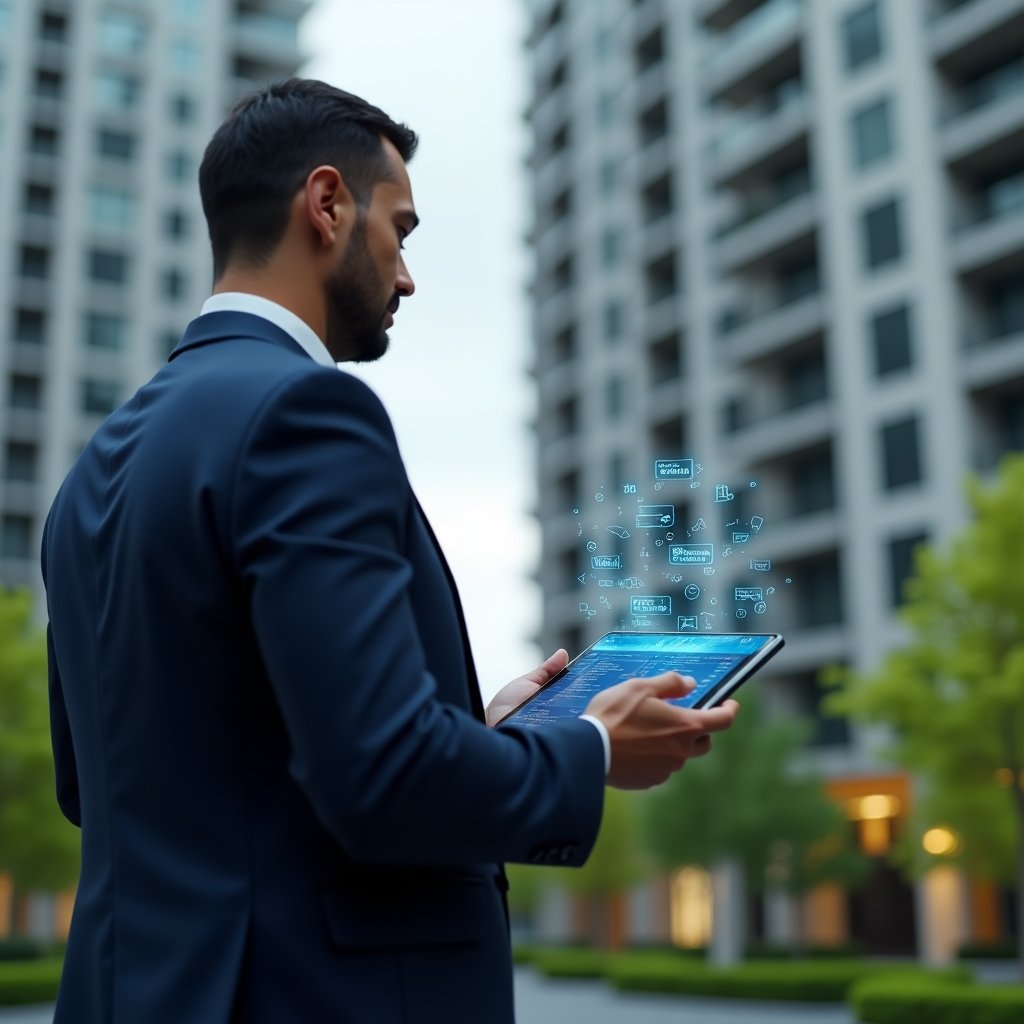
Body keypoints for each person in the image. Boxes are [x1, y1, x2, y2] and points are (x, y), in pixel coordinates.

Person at [41, 79, 739, 1024]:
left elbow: (113, 786)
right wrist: (588, 746)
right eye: (400, 233)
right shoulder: (308, 413)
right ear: (327, 205)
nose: (407, 276)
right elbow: (383, 780)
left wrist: (474, 738)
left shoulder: (95, 470)